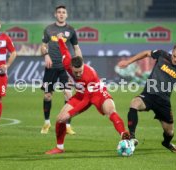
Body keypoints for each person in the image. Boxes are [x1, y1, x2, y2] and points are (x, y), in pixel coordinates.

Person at [45, 34, 130, 154]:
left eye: (80, 71)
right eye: (76, 72)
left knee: (110, 111)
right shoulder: (66, 62)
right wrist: (59, 38)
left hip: (97, 93)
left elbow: (86, 101)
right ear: (70, 67)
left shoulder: (89, 75)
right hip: (80, 94)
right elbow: (64, 50)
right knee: (60, 119)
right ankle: (59, 147)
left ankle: (124, 134)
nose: (78, 74)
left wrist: (69, 113)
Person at [117, 43, 176, 153]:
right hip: (149, 95)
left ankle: (166, 143)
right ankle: (132, 137)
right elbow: (146, 53)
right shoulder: (162, 55)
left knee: (169, 132)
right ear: (173, 52)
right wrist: (128, 62)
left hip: (163, 102)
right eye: (174, 56)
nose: (175, 59)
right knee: (134, 103)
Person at [40, 5, 82, 134]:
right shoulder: (49, 29)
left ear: (66, 15)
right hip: (51, 67)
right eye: (59, 12)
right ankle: (46, 123)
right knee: (47, 96)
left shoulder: (71, 30)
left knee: (68, 95)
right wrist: (46, 55)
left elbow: (76, 48)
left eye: (63, 12)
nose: (61, 14)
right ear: (55, 14)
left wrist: (80, 63)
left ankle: (67, 125)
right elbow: (43, 46)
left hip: (66, 68)